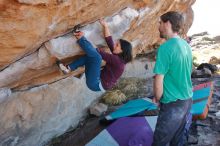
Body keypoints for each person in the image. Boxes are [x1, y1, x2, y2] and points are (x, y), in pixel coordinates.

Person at [152, 11, 193, 146]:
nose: (159, 26)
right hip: (187, 100)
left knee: (159, 141)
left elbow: (159, 80)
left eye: (160, 23)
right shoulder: (186, 45)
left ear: (167, 23)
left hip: (172, 104)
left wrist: (157, 98)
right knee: (177, 140)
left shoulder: (165, 48)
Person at [57, 19, 133, 92]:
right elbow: (109, 41)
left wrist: (82, 38)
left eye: (117, 45)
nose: (115, 45)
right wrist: (105, 26)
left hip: (96, 83)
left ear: (121, 50)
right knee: (90, 57)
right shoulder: (119, 56)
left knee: (96, 57)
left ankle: (78, 36)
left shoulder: (118, 61)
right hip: (96, 80)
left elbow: (99, 52)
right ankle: (68, 68)